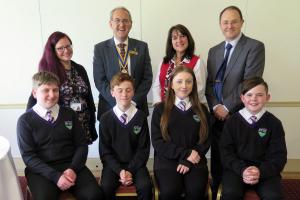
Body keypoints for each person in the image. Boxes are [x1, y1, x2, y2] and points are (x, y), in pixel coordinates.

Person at [205, 6, 265, 198]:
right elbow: (208, 83)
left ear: (241, 22)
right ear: (220, 25)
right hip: (216, 116)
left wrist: (227, 107)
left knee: (235, 160)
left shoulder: (254, 47)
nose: (229, 25)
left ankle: (234, 190)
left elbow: (250, 83)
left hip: (239, 115)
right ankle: (215, 191)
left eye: (234, 21)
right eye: (225, 22)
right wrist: (215, 106)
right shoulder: (213, 51)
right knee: (217, 160)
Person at [17, 71, 103, 200]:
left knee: (94, 195)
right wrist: (55, 176)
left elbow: (81, 145)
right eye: (46, 90)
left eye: (55, 90)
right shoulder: (25, 121)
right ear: (35, 93)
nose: (51, 95)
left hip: (71, 166)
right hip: (42, 171)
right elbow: (28, 157)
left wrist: (73, 169)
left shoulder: (69, 114)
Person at [220, 77, 287, 200]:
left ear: (268, 97)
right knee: (230, 194)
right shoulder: (232, 122)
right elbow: (225, 153)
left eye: (259, 95)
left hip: (266, 172)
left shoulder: (274, 123)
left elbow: (279, 156)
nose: (254, 99)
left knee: (273, 196)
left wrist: (260, 171)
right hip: (236, 171)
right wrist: (242, 170)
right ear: (242, 98)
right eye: (249, 95)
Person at [151, 66, 211, 200]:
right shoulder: (160, 109)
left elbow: (205, 139)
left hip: (195, 160)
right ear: (171, 84)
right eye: (179, 81)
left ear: (194, 84)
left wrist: (189, 159)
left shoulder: (202, 110)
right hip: (167, 162)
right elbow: (157, 142)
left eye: (189, 81)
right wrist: (185, 154)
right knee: (170, 191)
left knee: (196, 191)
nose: (184, 85)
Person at [27, 31, 97, 144]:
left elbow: (89, 97)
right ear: (53, 51)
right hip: (61, 123)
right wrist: (27, 120)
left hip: (83, 122)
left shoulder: (80, 69)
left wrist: (92, 121)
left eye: (68, 46)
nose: (66, 50)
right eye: (60, 48)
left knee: (81, 152)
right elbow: (35, 97)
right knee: (65, 154)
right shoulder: (48, 70)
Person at [99, 72, 152, 200]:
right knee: (105, 186)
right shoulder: (105, 119)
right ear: (112, 92)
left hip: (136, 165)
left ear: (133, 92)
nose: (124, 94)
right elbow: (105, 152)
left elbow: (143, 149)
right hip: (113, 166)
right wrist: (120, 171)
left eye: (128, 90)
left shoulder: (140, 116)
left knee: (146, 186)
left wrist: (130, 171)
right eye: (120, 90)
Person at [93, 6, 152, 121]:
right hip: (109, 108)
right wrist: (118, 102)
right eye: (117, 20)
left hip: (137, 107)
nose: (122, 24)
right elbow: (99, 81)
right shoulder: (100, 49)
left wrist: (132, 101)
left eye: (125, 21)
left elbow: (147, 78)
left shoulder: (142, 47)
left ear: (131, 24)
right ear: (110, 24)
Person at [152, 24, 207, 105]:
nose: (179, 40)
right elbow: (157, 86)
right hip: (163, 108)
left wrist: (180, 106)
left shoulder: (197, 62)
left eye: (182, 36)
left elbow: (199, 89)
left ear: (188, 39)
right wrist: (158, 104)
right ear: (171, 42)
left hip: (188, 109)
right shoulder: (164, 62)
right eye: (174, 38)